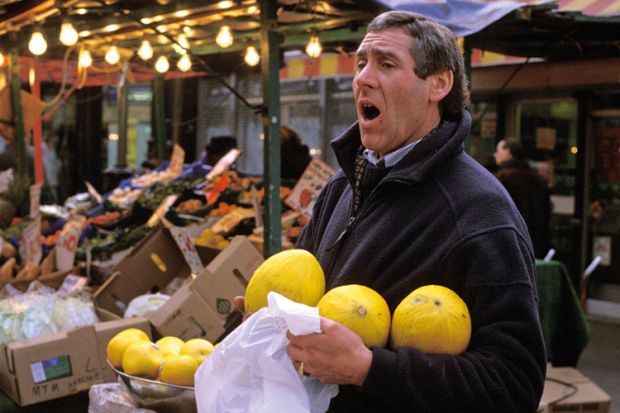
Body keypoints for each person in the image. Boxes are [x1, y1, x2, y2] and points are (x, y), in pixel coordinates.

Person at [236, 11, 546, 412]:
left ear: (439, 83)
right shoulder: (341, 185)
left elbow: (514, 384)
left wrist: (369, 368)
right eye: (361, 62)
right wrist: (266, 325)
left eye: (386, 64)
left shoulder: (479, 211)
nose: (362, 78)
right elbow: (301, 306)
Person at [494, 138, 552, 258]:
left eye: (498, 150)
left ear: (508, 152)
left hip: (509, 241)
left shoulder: (502, 178)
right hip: (536, 241)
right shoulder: (538, 180)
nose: (495, 155)